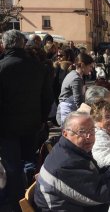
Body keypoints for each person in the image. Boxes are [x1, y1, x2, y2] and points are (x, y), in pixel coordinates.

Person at [34, 111, 110, 211]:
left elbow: (91, 178)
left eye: (92, 131)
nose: (89, 137)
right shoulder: (66, 163)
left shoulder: (73, 149)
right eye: (82, 132)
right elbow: (98, 194)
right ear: (65, 133)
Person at [0, 30, 53, 211]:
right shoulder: (38, 66)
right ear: (23, 44)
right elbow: (47, 97)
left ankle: (18, 203)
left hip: (7, 128)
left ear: (5, 44)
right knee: (29, 161)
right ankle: (32, 197)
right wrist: (42, 118)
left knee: (13, 167)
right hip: (32, 123)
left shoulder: (2, 66)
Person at [57, 53, 94, 125]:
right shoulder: (76, 79)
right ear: (83, 65)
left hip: (69, 110)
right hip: (67, 112)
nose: (91, 69)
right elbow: (79, 101)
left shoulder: (75, 75)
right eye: (90, 66)